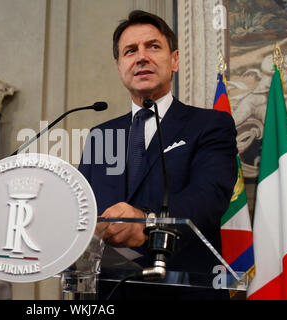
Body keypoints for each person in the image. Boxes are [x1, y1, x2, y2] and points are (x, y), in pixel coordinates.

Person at [78, 11, 238, 299]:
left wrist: (147, 223)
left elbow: (209, 196)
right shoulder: (100, 135)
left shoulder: (210, 125)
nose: (141, 57)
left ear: (174, 60)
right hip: (110, 294)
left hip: (185, 288)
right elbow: (82, 209)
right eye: (130, 51)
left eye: (153, 46)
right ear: (119, 67)